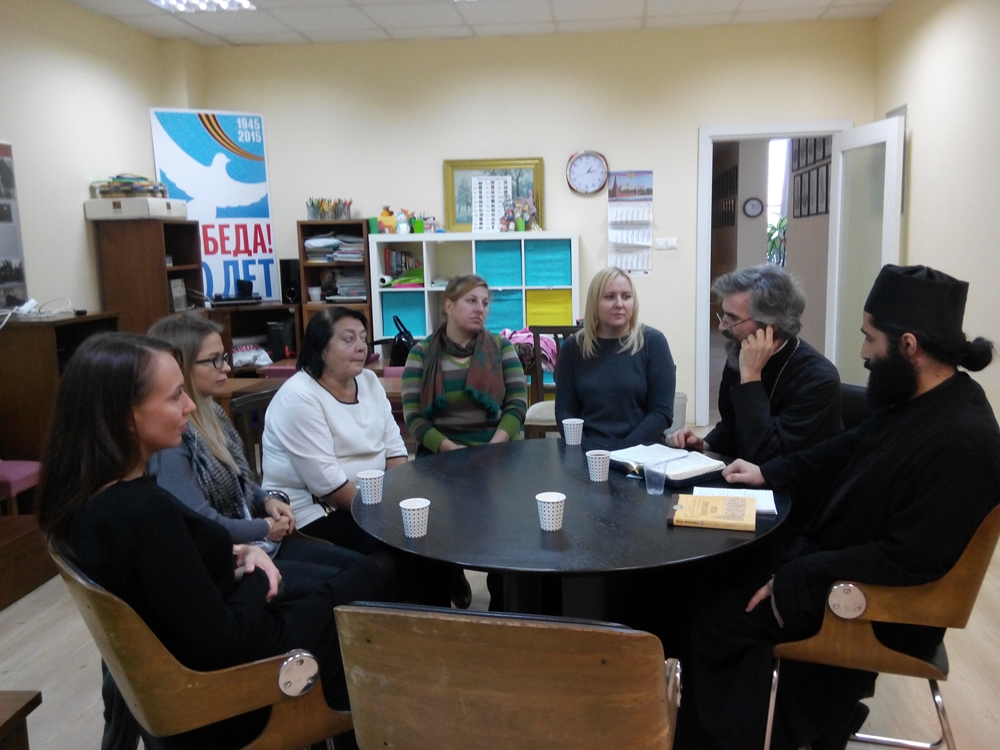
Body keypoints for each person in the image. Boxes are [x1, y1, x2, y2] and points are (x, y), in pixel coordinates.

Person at [675, 265, 1000, 750]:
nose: (863, 353)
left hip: (874, 606)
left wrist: (796, 577)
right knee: (705, 577)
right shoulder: (922, 401)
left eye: (870, 339)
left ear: (909, 345)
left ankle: (739, 734)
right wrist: (769, 472)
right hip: (832, 565)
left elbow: (909, 559)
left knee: (710, 617)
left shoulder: (963, 441)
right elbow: (843, 449)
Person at [36, 333, 392, 746]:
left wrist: (235, 552)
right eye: (175, 397)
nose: (189, 405)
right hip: (235, 687)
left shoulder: (87, 500)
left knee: (365, 576)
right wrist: (258, 570)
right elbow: (223, 645)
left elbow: (174, 577)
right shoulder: (142, 513)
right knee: (380, 576)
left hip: (202, 657)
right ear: (125, 416)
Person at [146, 313, 365, 599]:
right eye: (214, 360)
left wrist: (267, 500)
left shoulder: (211, 411)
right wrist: (264, 527)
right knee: (357, 583)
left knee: (366, 570)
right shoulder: (171, 444)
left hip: (261, 543)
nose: (227, 367)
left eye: (224, 357)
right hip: (231, 563)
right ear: (181, 366)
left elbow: (240, 483)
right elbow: (203, 524)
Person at [262, 306, 407, 554]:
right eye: (348, 339)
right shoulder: (299, 397)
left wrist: (397, 498)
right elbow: (328, 486)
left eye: (363, 338)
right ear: (320, 349)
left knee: (429, 528)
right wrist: (385, 513)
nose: (361, 347)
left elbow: (394, 449)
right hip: (316, 512)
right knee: (402, 544)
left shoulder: (369, 381)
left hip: (371, 502)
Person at [668, 264, 842, 463]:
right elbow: (732, 426)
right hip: (742, 474)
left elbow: (769, 456)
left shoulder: (818, 380)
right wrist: (704, 444)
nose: (722, 326)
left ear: (769, 326)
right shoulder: (739, 354)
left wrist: (751, 377)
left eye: (732, 318)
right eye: (723, 314)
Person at [401, 274, 527, 454]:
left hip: (500, 451)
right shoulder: (421, 353)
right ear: (449, 306)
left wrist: (492, 448)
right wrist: (452, 450)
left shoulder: (502, 347)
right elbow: (413, 417)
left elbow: (518, 405)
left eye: (485, 303)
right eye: (471, 301)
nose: (480, 309)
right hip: (442, 456)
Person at [554, 267, 675, 446]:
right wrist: (585, 448)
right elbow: (565, 410)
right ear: (594, 302)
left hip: (643, 448)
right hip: (589, 450)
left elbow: (661, 412)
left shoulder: (654, 342)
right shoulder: (573, 347)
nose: (619, 304)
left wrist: (624, 450)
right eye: (609, 297)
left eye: (626, 296)